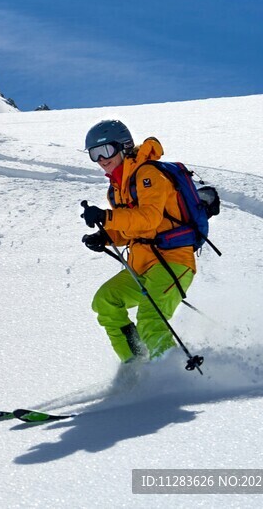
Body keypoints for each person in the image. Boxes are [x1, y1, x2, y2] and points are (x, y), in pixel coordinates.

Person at [79, 119, 196, 363]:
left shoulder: (148, 174)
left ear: (123, 146)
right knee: (106, 301)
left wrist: (107, 216)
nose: (101, 159)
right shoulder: (116, 188)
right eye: (94, 154)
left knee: (150, 318)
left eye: (106, 150)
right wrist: (105, 236)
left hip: (172, 260)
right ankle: (135, 364)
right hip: (142, 265)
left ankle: (171, 378)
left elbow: (150, 219)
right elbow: (131, 230)